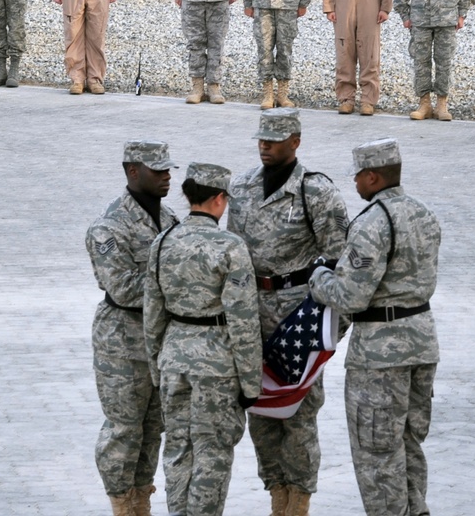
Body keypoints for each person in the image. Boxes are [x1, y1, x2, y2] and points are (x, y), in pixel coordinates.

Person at [309, 138, 441, 516]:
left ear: (372, 176)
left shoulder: (371, 223)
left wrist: (318, 277)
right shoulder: (424, 214)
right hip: (422, 344)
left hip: (380, 358)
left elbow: (350, 296)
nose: (354, 184)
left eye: (357, 177)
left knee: (377, 455)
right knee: (408, 444)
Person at [227, 108, 349, 516]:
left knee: (299, 413)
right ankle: (275, 493)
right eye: (261, 138)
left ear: (295, 142)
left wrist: (328, 328)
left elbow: (341, 261)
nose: (264, 145)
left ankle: (298, 501)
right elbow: (230, 253)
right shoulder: (241, 187)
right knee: (258, 407)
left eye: (274, 140)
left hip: (297, 314)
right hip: (249, 313)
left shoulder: (316, 192)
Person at [144, 162, 261, 516]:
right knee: (212, 454)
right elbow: (243, 320)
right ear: (220, 200)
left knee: (178, 450)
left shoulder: (163, 242)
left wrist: (156, 368)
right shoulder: (231, 246)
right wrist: (251, 383)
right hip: (217, 366)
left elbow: (152, 316)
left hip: (174, 361)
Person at [85, 140, 180, 516]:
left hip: (159, 340)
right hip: (122, 342)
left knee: (153, 429)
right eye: (157, 170)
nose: (167, 176)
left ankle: (142, 501)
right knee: (124, 429)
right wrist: (180, 285)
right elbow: (123, 288)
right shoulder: (109, 227)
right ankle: (121, 505)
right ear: (132, 171)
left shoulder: (170, 219)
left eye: (168, 169)